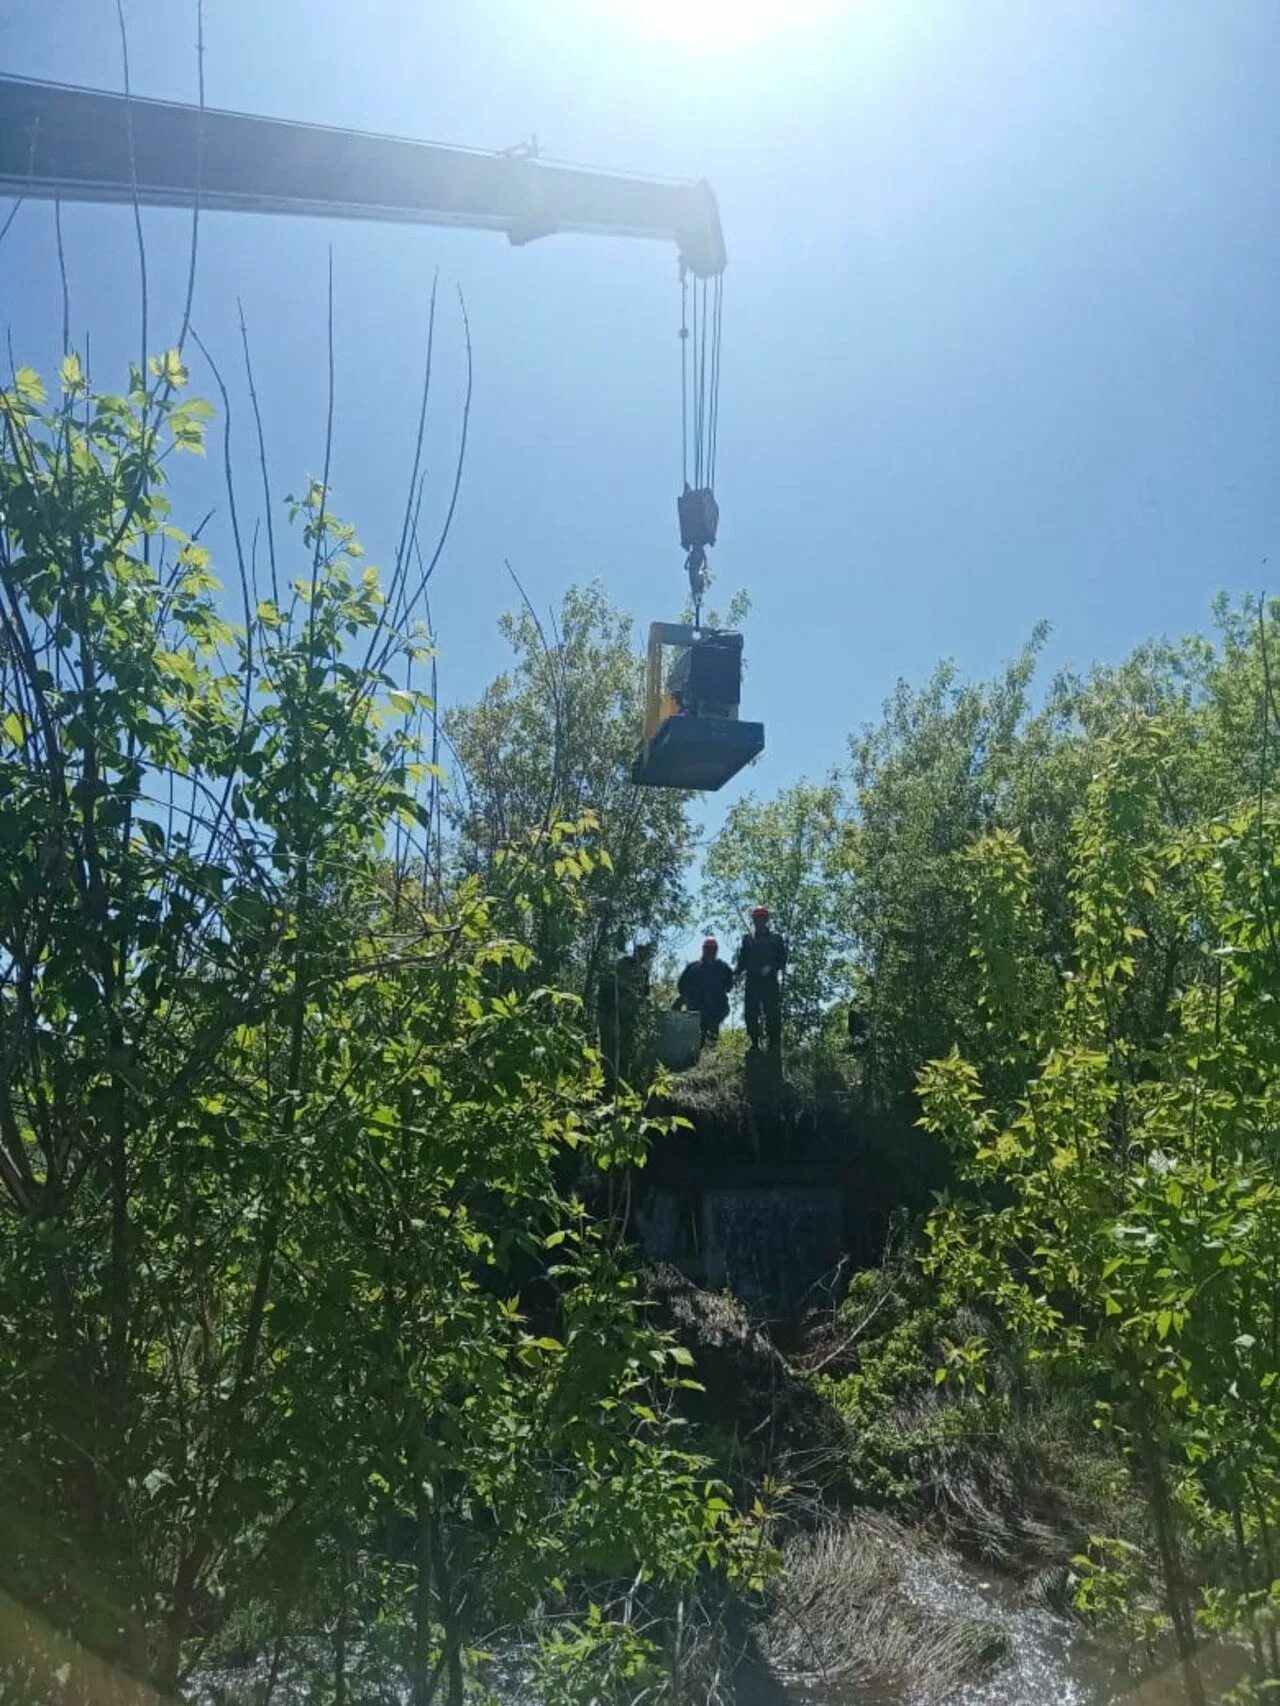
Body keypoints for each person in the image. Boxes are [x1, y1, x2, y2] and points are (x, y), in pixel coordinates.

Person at [597, 940, 654, 1084]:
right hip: (610, 1014)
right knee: (608, 1052)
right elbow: (611, 986)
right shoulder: (623, 964)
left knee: (626, 1052)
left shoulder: (643, 973)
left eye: (646, 955)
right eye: (640, 953)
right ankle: (605, 1084)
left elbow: (644, 994)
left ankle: (622, 1083)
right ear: (635, 953)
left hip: (628, 1018)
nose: (643, 957)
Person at [735, 905, 787, 1054]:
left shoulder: (776, 939)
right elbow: (742, 960)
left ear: (766, 920)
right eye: (756, 918)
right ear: (753, 920)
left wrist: (771, 967)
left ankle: (773, 1045)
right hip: (752, 982)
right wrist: (737, 973)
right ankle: (754, 1044)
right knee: (750, 1013)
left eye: (762, 918)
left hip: (769, 982)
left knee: (772, 1013)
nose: (759, 921)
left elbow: (782, 959)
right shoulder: (748, 939)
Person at [675, 937, 735, 1045]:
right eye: (708, 948)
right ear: (703, 949)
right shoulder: (693, 968)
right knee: (696, 1041)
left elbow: (729, 986)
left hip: (716, 1011)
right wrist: (687, 997)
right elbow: (681, 986)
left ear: (716, 950)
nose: (710, 951)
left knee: (712, 1039)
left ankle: (711, 1058)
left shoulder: (723, 968)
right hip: (696, 1011)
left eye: (713, 949)